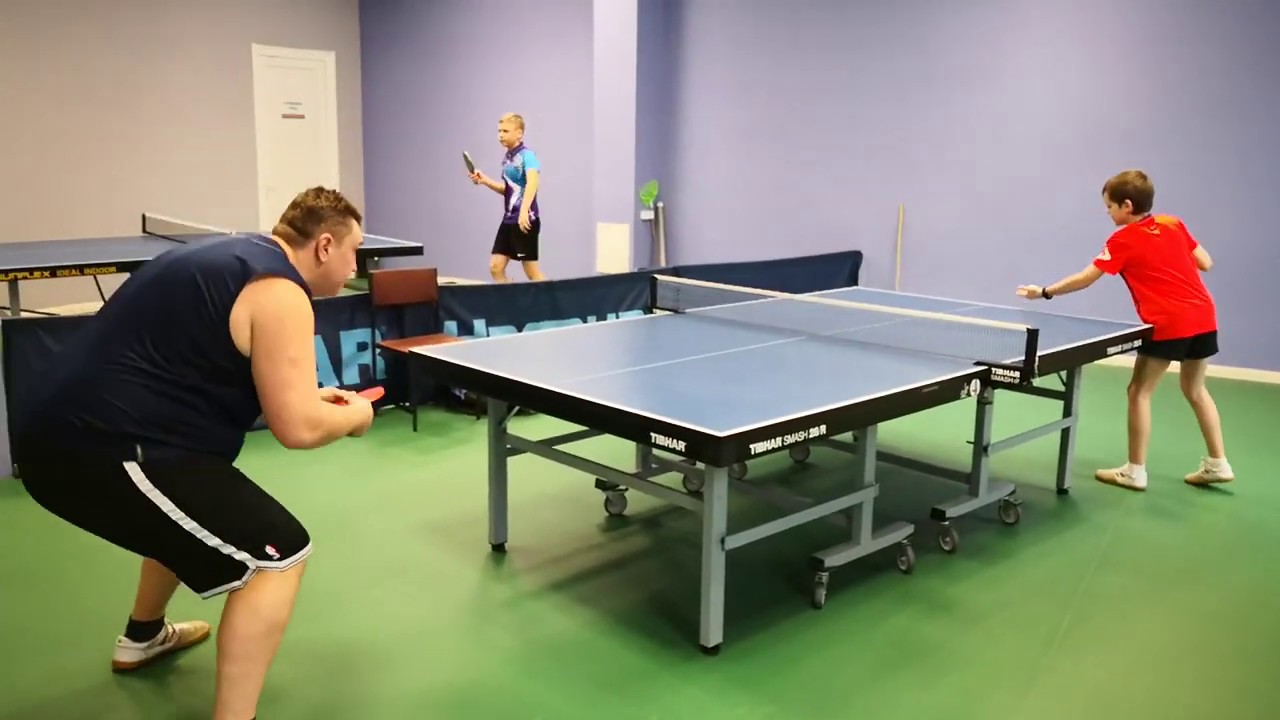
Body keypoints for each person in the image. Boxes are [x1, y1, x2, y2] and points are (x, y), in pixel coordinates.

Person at [15, 187, 377, 720]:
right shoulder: (282, 291)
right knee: (278, 556)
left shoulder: (229, 255)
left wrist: (307, 396)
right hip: (104, 445)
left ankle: (144, 636)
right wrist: (356, 417)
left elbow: (210, 363)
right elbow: (297, 428)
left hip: (67, 432)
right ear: (325, 245)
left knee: (185, 513)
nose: (354, 267)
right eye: (353, 251)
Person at [1015, 169, 1233, 492]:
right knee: (1195, 389)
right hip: (1204, 316)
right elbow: (1205, 262)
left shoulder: (1122, 240)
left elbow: (1086, 278)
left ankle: (1134, 471)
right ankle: (1218, 464)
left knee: (1138, 392)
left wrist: (1044, 292)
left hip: (1169, 321)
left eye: (1110, 206)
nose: (1108, 212)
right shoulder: (1173, 223)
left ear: (1127, 206)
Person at [468, 112, 546, 282]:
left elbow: (533, 183)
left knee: (532, 273)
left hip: (525, 220)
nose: (501, 135)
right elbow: (510, 190)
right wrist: (485, 181)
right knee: (496, 268)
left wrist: (524, 212)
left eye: (505, 131)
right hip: (509, 220)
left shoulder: (527, 155)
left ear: (519, 133)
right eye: (499, 131)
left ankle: (552, 299)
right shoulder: (507, 159)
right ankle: (512, 298)